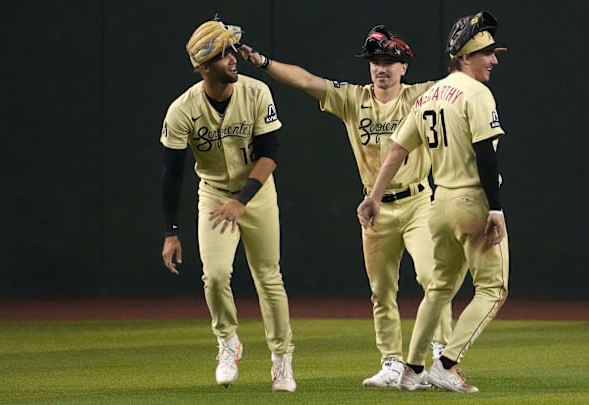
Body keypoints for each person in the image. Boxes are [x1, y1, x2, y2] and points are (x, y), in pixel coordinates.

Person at [237, 25, 453, 387]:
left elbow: (460, 86)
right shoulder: (354, 98)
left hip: (418, 202)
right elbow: (307, 81)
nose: (380, 68)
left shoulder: (422, 95)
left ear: (404, 68)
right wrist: (262, 61)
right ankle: (391, 362)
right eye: (375, 62)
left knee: (433, 277)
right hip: (375, 207)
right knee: (381, 289)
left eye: (389, 61)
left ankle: (440, 359)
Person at [357, 10, 510, 393]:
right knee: (493, 289)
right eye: (487, 53)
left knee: (440, 287)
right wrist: (495, 207)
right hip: (472, 200)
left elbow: (395, 149)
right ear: (466, 57)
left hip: (438, 203)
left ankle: (411, 370)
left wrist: (373, 196)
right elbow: (485, 154)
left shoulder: (431, 95)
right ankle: (446, 363)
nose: (493, 60)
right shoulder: (477, 93)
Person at [159, 15, 296, 392]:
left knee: (269, 277)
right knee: (216, 275)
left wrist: (243, 200)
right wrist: (171, 232)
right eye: (223, 54)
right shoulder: (182, 110)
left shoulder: (256, 92)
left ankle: (282, 360)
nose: (233, 58)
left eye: (233, 50)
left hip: (257, 193)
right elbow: (172, 173)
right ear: (204, 66)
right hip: (216, 195)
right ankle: (228, 343)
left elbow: (271, 153)